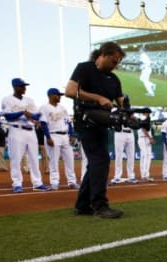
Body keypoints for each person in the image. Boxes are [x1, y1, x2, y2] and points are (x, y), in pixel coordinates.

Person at [65, 41, 127, 218]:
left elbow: (121, 102)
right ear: (103, 54)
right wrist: (98, 98)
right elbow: (70, 91)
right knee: (100, 160)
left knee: (95, 163)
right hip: (85, 121)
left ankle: (83, 205)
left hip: (102, 123)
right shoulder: (84, 68)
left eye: (118, 63)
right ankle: (100, 206)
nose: (115, 66)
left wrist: (131, 115)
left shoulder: (114, 79)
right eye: (114, 61)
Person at [1, 77, 50, 193]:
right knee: (16, 158)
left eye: (25, 86)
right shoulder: (7, 99)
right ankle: (17, 183)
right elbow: (8, 116)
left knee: (34, 158)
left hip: (31, 130)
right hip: (16, 130)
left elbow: (37, 116)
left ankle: (37, 183)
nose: (24, 88)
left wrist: (30, 115)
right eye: (22, 86)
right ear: (15, 87)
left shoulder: (29, 100)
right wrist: (23, 112)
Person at [39, 88, 78, 190]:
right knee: (54, 161)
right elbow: (43, 124)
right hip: (53, 135)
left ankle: (72, 181)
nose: (60, 96)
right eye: (58, 95)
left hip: (65, 136)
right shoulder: (44, 108)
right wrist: (48, 137)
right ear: (51, 95)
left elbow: (68, 122)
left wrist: (72, 135)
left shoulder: (62, 107)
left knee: (70, 159)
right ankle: (54, 182)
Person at [111, 115, 138, 184]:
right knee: (119, 155)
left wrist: (133, 118)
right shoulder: (117, 110)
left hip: (130, 133)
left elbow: (136, 123)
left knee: (131, 156)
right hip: (120, 132)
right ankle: (117, 176)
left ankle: (131, 176)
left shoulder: (130, 112)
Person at [137, 107, 154, 182]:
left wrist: (150, 138)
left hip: (145, 138)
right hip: (143, 138)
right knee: (146, 156)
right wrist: (150, 138)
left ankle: (144, 175)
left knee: (144, 156)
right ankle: (145, 175)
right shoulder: (143, 119)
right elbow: (144, 129)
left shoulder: (144, 119)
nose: (149, 114)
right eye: (147, 112)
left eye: (149, 113)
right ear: (144, 113)